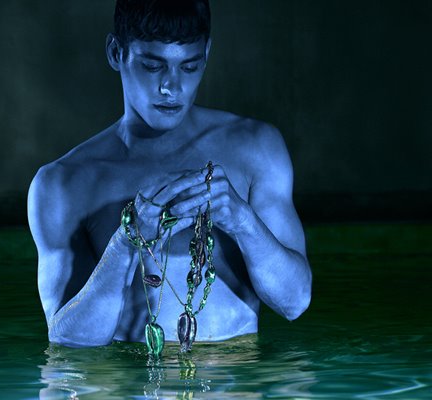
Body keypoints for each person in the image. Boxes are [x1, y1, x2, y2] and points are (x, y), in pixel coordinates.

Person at [27, 0, 312, 351]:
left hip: (238, 374)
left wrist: (242, 220)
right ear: (116, 53)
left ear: (206, 54)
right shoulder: (64, 183)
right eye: (152, 65)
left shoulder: (256, 148)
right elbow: (67, 339)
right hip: (132, 376)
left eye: (189, 67)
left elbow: (295, 302)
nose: (171, 87)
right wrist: (126, 243)